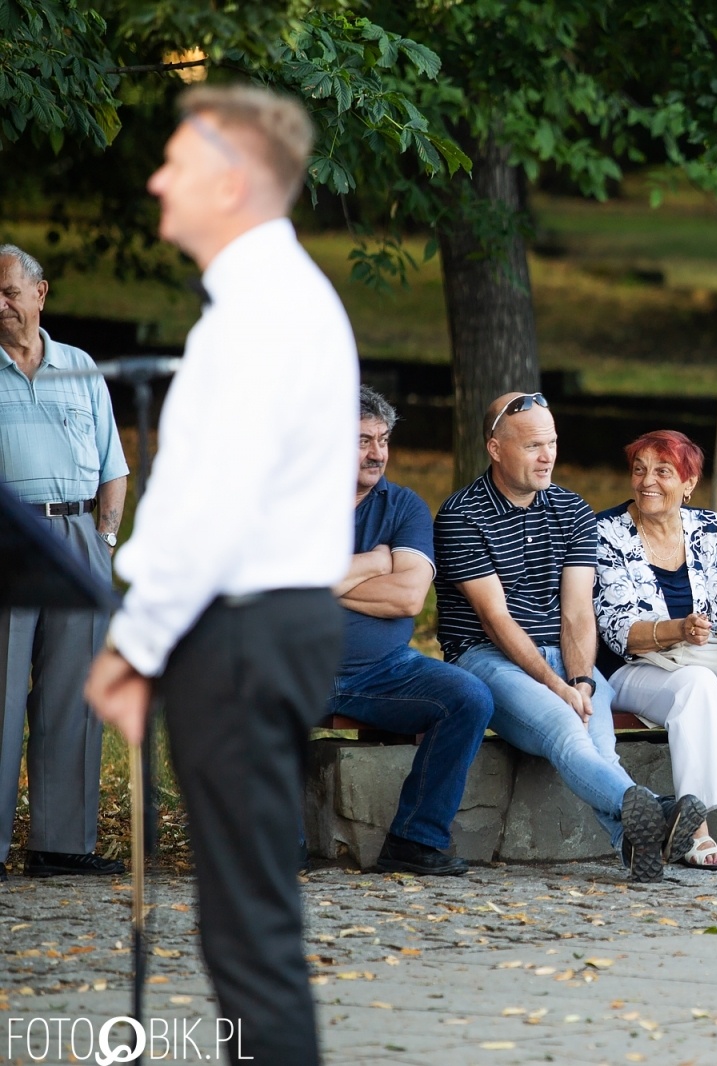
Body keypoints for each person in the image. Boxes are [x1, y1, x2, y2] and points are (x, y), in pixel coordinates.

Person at [85, 86, 357, 1064]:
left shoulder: (260, 314)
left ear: (232, 181)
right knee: (246, 922)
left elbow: (208, 503)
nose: (156, 176)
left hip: (240, 628)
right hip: (261, 625)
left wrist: (136, 641)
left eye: (177, 162)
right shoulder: (275, 301)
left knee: (247, 933)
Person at [434, 394, 701, 883]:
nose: (547, 456)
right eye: (534, 445)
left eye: (552, 444)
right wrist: (557, 687)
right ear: (495, 448)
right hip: (485, 657)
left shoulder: (572, 510)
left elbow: (578, 611)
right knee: (566, 728)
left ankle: (633, 842)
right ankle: (658, 813)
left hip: (565, 657)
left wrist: (581, 677)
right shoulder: (461, 515)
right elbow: (495, 619)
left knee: (601, 745)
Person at [595, 430, 717, 867]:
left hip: (698, 659)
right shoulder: (607, 532)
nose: (648, 480)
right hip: (634, 669)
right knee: (698, 684)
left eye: (663, 471)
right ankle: (695, 832)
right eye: (640, 470)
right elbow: (618, 632)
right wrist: (678, 630)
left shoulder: (708, 527)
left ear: (688, 484)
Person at [323, 386, 496, 875]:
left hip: (384, 672)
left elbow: (408, 598)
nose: (378, 452)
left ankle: (414, 840)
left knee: (468, 697)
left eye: (383, 439)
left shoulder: (404, 508)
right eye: (362, 440)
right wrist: (374, 562)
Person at [0, 244, 129, 882]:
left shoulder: (80, 367)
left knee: (73, 694)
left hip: (78, 534)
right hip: (7, 534)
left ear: (40, 293)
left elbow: (113, 466)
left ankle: (61, 846)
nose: (0, 306)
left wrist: (103, 543)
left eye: (8, 293)